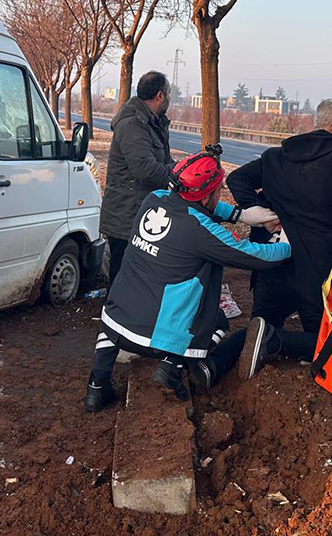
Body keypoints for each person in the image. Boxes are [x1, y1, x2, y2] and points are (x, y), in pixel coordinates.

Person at [84, 146, 287, 412]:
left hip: (116, 321)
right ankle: (172, 367)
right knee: (216, 320)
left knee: (115, 319)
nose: (219, 194)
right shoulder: (199, 230)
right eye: (218, 190)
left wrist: (240, 215)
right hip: (155, 339)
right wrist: (288, 243)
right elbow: (256, 255)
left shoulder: (153, 200)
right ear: (207, 196)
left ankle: (96, 387)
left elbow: (198, 206)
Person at [192, 99, 332, 386]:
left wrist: (263, 214)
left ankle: (213, 366)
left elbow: (238, 179)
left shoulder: (276, 156)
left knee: (256, 329)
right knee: (327, 347)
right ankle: (275, 340)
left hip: (269, 264)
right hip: (314, 274)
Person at [100, 71, 174, 283]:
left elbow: (161, 162)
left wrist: (174, 167)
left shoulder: (152, 123)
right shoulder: (133, 125)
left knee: (138, 280)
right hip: (126, 217)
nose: (170, 98)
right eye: (169, 93)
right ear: (160, 95)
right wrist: (176, 171)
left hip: (141, 213)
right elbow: (146, 170)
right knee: (122, 280)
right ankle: (114, 305)